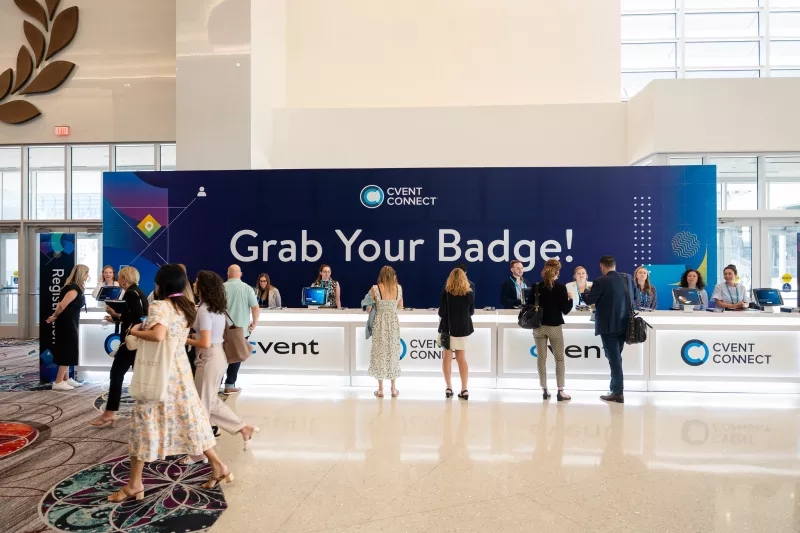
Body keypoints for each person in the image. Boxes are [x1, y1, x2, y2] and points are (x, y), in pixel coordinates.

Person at [110, 264, 230, 503]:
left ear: (160, 284)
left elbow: (158, 335)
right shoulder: (184, 307)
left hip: (158, 374)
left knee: (143, 423)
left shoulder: (160, 305)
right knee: (190, 419)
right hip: (180, 374)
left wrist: (135, 330)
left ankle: (135, 484)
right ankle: (218, 465)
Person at [184, 270, 259, 463]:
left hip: (209, 358)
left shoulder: (204, 309)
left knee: (202, 407)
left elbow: (206, 342)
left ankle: (199, 452)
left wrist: (183, 339)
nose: (193, 284)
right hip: (216, 358)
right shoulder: (215, 308)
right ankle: (242, 427)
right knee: (210, 402)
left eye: (197, 281)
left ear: (203, 286)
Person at [90, 266, 149, 427]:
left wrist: (118, 316)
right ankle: (143, 413)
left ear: (125, 278)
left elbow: (137, 317)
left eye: (121, 277)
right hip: (136, 342)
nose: (119, 280)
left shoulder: (131, 293)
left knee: (116, 374)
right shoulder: (138, 292)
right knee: (136, 378)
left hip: (130, 342)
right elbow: (137, 316)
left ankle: (110, 413)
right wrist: (117, 317)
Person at [580, 255, 635, 404]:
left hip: (608, 326)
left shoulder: (600, 281)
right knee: (617, 358)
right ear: (614, 265)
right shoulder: (628, 278)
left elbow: (589, 300)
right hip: (625, 325)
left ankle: (617, 392)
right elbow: (635, 297)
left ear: (602, 266)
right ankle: (615, 388)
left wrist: (583, 290)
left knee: (614, 359)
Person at [532, 259, 574, 402]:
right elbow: (566, 310)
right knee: (559, 359)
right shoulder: (561, 288)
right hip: (555, 327)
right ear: (557, 271)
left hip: (538, 327)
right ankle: (560, 391)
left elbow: (529, 305)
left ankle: (544, 389)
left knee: (541, 359)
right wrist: (570, 299)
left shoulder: (536, 287)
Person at [46, 264, 90, 391]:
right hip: (66, 323)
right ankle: (58, 381)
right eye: (87, 273)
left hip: (70, 321)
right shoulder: (74, 288)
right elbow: (61, 305)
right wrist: (54, 316)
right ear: (82, 274)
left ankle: (66, 379)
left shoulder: (75, 287)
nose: (88, 276)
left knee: (68, 348)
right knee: (68, 350)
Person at [367, 266, 403, 398]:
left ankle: (381, 389)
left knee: (379, 353)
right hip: (393, 323)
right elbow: (400, 306)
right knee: (393, 353)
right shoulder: (399, 288)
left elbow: (368, 308)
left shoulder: (375, 288)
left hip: (380, 323)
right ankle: (393, 388)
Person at [223, 264, 259, 394]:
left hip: (223, 330)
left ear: (228, 274)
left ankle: (215, 384)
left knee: (221, 357)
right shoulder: (247, 288)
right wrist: (254, 323)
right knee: (236, 357)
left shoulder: (221, 288)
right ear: (240, 274)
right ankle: (229, 385)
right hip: (241, 330)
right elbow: (255, 307)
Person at [439, 268, 474, 400]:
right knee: (462, 359)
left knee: (446, 358)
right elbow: (471, 312)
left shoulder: (445, 293)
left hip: (447, 329)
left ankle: (448, 388)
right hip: (462, 329)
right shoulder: (469, 294)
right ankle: (464, 389)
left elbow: (441, 312)